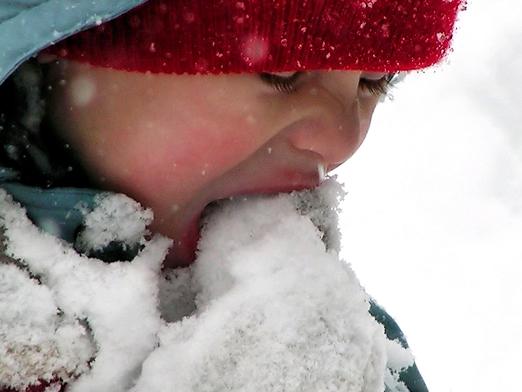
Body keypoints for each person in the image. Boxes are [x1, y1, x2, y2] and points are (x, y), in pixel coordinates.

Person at [0, 1, 463, 391]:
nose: (342, 138)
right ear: (66, 40)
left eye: (373, 81)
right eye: (281, 71)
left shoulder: (346, 339)